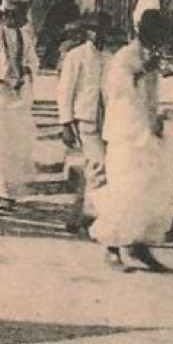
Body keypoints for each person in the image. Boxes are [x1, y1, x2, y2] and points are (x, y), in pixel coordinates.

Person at [90, 8, 173, 271]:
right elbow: (118, 90)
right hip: (125, 132)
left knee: (148, 189)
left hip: (146, 132)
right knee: (124, 189)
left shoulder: (152, 56)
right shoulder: (125, 56)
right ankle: (112, 248)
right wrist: (141, 71)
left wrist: (157, 118)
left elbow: (150, 96)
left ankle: (139, 246)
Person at [0, 0, 38, 210]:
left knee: (17, 144)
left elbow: (33, 61)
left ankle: (12, 190)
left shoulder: (25, 37)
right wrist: (2, 81)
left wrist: (26, 73)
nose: (15, 20)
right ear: (4, 15)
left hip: (19, 98)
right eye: (11, 15)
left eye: (19, 15)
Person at [57, 13, 109, 234]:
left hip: (105, 117)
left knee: (93, 167)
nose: (98, 36)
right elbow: (65, 90)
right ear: (87, 33)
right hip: (84, 116)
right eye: (94, 31)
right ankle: (91, 216)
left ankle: (76, 216)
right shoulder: (76, 56)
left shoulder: (108, 57)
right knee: (97, 165)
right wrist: (65, 123)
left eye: (102, 31)